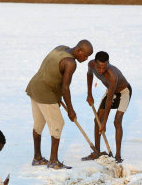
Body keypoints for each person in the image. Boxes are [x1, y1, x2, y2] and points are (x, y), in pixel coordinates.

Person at [26, 40, 93, 169]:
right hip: (45, 91)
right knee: (58, 123)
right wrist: (71, 110)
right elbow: (65, 88)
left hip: (34, 86)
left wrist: (57, 95)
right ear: (78, 50)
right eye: (85, 55)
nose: (86, 59)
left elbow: (53, 72)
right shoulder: (71, 63)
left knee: (39, 123)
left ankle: (37, 158)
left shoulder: (61, 48)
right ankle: (53, 161)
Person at [84, 51, 132, 163]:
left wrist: (104, 123)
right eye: (99, 68)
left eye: (104, 67)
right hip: (111, 91)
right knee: (97, 121)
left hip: (124, 92)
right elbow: (89, 75)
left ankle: (118, 156)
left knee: (117, 121)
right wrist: (89, 94)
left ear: (108, 63)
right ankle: (97, 152)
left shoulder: (112, 75)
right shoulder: (91, 64)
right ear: (95, 64)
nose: (101, 71)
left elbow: (109, 101)